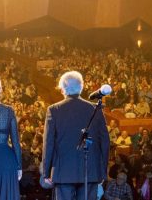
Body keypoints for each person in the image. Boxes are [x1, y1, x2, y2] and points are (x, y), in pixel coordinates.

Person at [41, 71, 109, 200]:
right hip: (90, 172)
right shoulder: (95, 109)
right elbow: (105, 142)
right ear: (81, 87)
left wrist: (46, 172)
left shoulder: (54, 110)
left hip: (63, 172)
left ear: (63, 88)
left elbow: (48, 143)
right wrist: (103, 172)